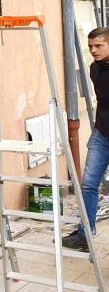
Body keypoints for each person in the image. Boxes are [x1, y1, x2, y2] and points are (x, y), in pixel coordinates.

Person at [63, 27, 109, 251]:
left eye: (99, 46)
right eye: (91, 46)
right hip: (102, 134)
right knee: (89, 184)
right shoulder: (94, 69)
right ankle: (84, 234)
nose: (93, 50)